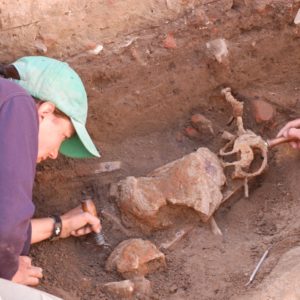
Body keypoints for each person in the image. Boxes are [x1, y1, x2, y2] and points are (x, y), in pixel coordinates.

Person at [0, 56, 102, 290]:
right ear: (45, 111)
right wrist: (8, 271)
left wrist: (60, 225)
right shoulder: (18, 104)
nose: (56, 154)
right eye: (63, 137)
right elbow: (5, 231)